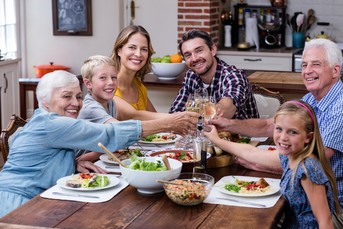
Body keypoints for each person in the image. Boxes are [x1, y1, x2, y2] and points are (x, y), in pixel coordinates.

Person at [210, 39, 343, 229]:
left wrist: (259, 162)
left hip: (340, 210)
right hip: (310, 199)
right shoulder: (311, 99)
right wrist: (228, 124)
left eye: (316, 64)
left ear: (335, 70)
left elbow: (309, 159)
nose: (307, 71)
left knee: (251, 224)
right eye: (304, 65)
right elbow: (268, 125)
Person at [0, 70, 196, 217]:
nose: (76, 103)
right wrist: (168, 123)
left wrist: (69, 162)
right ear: (44, 101)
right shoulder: (53, 124)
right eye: (66, 96)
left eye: (78, 96)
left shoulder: (42, 120)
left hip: (38, 198)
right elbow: (107, 134)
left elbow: (35, 152)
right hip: (17, 204)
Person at [205, 101, 341, 229]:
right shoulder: (290, 157)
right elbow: (251, 152)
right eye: (279, 129)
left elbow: (325, 220)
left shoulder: (308, 167)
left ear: (308, 137)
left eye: (292, 132)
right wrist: (216, 140)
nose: (283, 137)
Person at [76, 55, 198, 162]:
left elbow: (110, 138)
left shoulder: (110, 102)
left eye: (114, 77)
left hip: (99, 160)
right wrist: (170, 123)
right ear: (88, 84)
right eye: (103, 78)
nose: (111, 82)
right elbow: (121, 131)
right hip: (84, 166)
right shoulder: (91, 107)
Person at [168, 29, 259, 120]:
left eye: (199, 51)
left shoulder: (232, 75)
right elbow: (175, 111)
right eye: (188, 55)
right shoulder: (191, 76)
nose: (194, 59)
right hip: (206, 132)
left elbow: (227, 108)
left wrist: (202, 115)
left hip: (243, 133)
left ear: (213, 50)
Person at [110, 25, 156, 118]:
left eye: (144, 49)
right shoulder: (110, 86)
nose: (138, 54)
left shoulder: (138, 85)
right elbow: (136, 117)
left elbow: (155, 116)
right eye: (132, 47)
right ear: (119, 50)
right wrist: (178, 118)